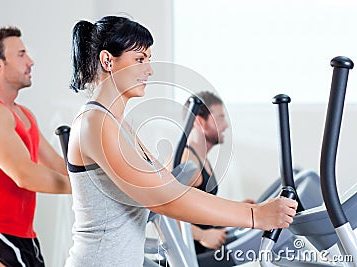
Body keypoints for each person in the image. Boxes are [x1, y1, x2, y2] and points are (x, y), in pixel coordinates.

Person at [65, 16, 297, 267]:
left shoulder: (120, 125)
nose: (149, 70)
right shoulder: (95, 123)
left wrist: (244, 210)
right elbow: (164, 198)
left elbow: (171, 188)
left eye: (149, 59)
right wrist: (255, 216)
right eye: (140, 59)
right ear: (108, 60)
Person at [0, 26, 71, 267]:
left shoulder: (24, 114)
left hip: (25, 234)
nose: (30, 61)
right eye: (21, 54)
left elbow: (57, 165)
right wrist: (85, 190)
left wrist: (101, 179)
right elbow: (25, 175)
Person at [182, 91, 254, 266]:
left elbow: (200, 208)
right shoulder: (188, 161)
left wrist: (239, 209)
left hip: (206, 250)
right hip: (192, 258)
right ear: (200, 121)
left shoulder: (202, 158)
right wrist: (203, 235)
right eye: (220, 118)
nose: (225, 125)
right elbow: (164, 213)